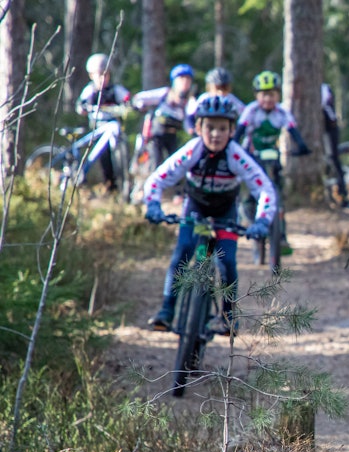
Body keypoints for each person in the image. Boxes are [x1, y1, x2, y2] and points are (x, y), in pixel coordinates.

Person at [144, 95, 277, 336]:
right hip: (196, 209)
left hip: (226, 212)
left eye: (222, 128)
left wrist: (262, 220)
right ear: (198, 128)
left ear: (232, 130)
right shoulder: (192, 150)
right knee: (183, 251)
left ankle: (228, 316)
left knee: (226, 262)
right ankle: (167, 309)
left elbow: (265, 189)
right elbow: (157, 179)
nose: (216, 134)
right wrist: (153, 205)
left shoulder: (236, 155)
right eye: (210, 127)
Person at [235, 70, 311, 255]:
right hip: (252, 156)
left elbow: (293, 131)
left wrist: (302, 146)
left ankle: (281, 235)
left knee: (278, 193)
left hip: (272, 156)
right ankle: (251, 218)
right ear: (257, 95)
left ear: (278, 95)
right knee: (250, 193)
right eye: (264, 94)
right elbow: (239, 132)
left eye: (272, 94)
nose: (268, 99)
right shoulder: (251, 110)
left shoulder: (282, 112)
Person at [76, 53, 131, 192]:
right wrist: (83, 108)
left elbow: (128, 98)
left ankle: (120, 185)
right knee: (104, 159)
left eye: (106, 75)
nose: (103, 78)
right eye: (99, 74)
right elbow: (80, 105)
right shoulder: (90, 90)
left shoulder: (114, 90)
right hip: (98, 129)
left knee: (116, 156)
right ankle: (108, 186)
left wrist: (130, 103)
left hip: (113, 128)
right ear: (91, 75)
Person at [132, 64, 195, 170]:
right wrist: (138, 105)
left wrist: (192, 130)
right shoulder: (165, 93)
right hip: (156, 135)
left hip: (172, 136)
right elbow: (140, 98)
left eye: (188, 79)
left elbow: (189, 120)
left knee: (175, 165)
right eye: (181, 78)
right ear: (174, 81)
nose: (185, 82)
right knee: (156, 163)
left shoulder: (189, 101)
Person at [187, 67, 246, 133]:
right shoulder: (204, 98)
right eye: (217, 88)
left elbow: (245, 113)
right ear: (209, 87)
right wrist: (191, 128)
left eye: (224, 88)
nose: (220, 92)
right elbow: (191, 114)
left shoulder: (231, 98)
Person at [322, 82, 349, 207]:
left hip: (330, 129)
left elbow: (323, 105)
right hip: (323, 130)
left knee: (333, 158)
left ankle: (343, 193)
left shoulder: (323, 88)